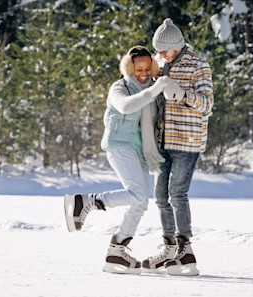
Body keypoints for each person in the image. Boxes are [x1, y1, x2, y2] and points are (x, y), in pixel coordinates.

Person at [64, 46, 174, 275]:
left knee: (141, 201)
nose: (143, 73)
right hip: (119, 147)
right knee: (137, 195)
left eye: (147, 68)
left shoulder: (151, 87)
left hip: (141, 151)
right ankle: (85, 202)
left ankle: (117, 250)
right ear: (129, 68)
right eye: (138, 69)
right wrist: (156, 88)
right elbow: (126, 105)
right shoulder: (120, 88)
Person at [141, 18, 214, 276]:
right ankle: (169, 248)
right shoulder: (160, 64)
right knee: (160, 197)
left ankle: (186, 251)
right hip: (163, 141)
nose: (159, 55)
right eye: (157, 51)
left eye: (164, 51)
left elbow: (207, 104)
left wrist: (183, 95)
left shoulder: (198, 65)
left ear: (178, 45)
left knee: (177, 195)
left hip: (187, 141)